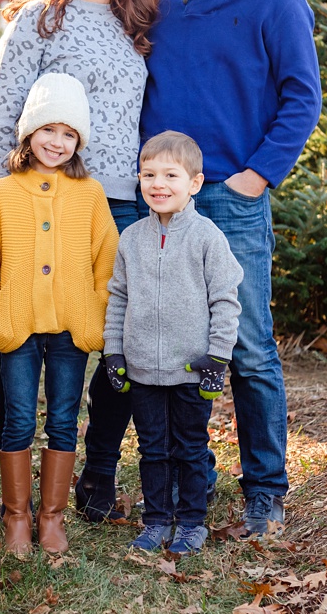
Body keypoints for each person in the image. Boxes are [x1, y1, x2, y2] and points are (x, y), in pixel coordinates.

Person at [129, 0, 321, 536]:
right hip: (163, 204)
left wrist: (257, 175)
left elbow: (303, 96)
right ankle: (188, 483)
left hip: (234, 202)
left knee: (246, 349)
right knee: (170, 347)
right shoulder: (155, 1)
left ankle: (265, 488)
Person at [0, 0, 159, 522]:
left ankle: (98, 473)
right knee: (23, 334)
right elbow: (0, 118)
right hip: (40, 200)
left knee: (115, 345)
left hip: (119, 205)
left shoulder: (139, 21)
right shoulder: (39, 21)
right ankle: (19, 499)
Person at [0, 73, 118, 556]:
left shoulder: (89, 195)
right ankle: (16, 518)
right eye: (48, 130)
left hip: (71, 328)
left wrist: (96, 309)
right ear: (29, 134)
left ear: (79, 141)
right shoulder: (5, 193)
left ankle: (51, 518)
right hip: (18, 326)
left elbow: (106, 260)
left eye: (69, 134)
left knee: (64, 419)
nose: (57, 142)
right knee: (17, 419)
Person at [102, 132, 242, 556]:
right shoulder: (132, 239)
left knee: (190, 447)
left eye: (170, 175)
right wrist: (114, 350)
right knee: (153, 449)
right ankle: (157, 520)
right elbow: (118, 297)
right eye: (148, 175)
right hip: (143, 367)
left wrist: (218, 357)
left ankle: (192, 522)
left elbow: (225, 299)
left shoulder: (207, 237)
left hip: (191, 369)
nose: (157, 184)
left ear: (194, 183)